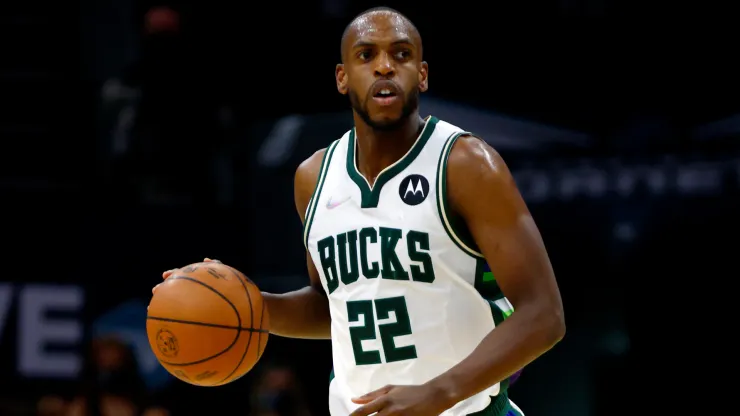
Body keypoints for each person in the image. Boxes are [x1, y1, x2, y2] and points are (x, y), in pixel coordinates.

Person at [157, 6, 564, 415]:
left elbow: (544, 314)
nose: (384, 66)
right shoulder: (314, 177)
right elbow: (332, 304)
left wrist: (439, 392)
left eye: (401, 54)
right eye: (366, 55)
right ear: (342, 77)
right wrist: (243, 304)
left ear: (422, 74)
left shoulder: (465, 164)